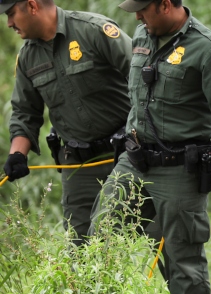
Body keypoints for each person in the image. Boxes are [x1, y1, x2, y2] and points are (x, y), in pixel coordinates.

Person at [89, 0, 211, 294]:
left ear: (165, 4)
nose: (135, 16)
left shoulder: (208, 49)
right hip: (134, 161)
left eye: (142, 9)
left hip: (180, 169)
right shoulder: (142, 34)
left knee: (183, 255)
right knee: (101, 230)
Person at [1, 0, 132, 245]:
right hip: (78, 164)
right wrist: (17, 155)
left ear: (31, 5)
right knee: (81, 251)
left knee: (160, 235)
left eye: (10, 14)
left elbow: (143, 77)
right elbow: (25, 113)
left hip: (128, 154)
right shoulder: (28, 58)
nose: (9, 23)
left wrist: (138, 129)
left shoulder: (93, 30)